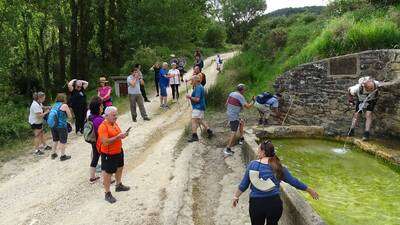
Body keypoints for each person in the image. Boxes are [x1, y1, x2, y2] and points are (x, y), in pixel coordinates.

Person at [232, 140, 319, 225]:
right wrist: (309, 190)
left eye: (259, 150)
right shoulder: (278, 166)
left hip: (256, 204)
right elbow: (293, 181)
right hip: (274, 204)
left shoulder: (253, 165)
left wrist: (236, 196)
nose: (257, 152)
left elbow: (243, 185)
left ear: (263, 152)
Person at [97, 106, 130, 203]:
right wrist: (117, 137)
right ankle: (107, 193)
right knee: (108, 173)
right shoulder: (103, 127)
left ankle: (118, 185)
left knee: (120, 167)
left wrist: (123, 135)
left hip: (118, 150)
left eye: (116, 114)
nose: (116, 117)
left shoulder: (114, 123)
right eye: (114, 115)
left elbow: (118, 135)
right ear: (106, 116)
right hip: (109, 153)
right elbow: (105, 142)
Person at [224, 84, 254, 156]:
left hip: (229, 113)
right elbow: (248, 107)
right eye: (244, 90)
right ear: (242, 90)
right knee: (233, 132)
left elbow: (226, 103)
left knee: (241, 122)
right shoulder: (240, 96)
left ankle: (241, 138)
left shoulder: (232, 93)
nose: (245, 91)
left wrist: (232, 109)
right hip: (233, 116)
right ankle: (228, 149)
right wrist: (253, 101)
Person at [186, 75, 213, 142]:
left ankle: (194, 136)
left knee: (194, 121)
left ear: (195, 81)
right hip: (200, 106)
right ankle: (209, 131)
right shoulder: (199, 86)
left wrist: (189, 97)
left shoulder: (198, 88)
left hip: (198, 107)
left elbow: (197, 99)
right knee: (200, 120)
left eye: (192, 80)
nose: (191, 81)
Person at [50, 93, 72, 161]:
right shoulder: (64, 105)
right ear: (64, 98)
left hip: (53, 125)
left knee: (55, 139)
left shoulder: (54, 105)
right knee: (63, 141)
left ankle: (53, 154)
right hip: (61, 126)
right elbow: (70, 116)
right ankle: (63, 156)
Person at [87, 97, 104, 183]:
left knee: (95, 158)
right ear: (98, 108)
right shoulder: (99, 120)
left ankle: (92, 177)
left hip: (93, 141)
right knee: (105, 159)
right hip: (99, 142)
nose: (103, 107)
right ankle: (109, 178)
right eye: (101, 106)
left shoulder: (90, 117)